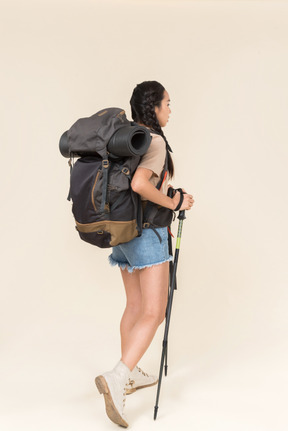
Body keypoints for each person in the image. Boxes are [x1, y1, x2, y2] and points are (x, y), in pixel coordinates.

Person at [95, 81, 194, 428]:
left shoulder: (130, 137)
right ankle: (118, 376)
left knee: (135, 307)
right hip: (148, 233)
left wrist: (167, 192)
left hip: (123, 231)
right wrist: (175, 202)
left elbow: (136, 184)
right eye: (167, 103)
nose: (170, 108)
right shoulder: (153, 141)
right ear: (153, 107)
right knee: (155, 311)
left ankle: (131, 372)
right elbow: (139, 184)